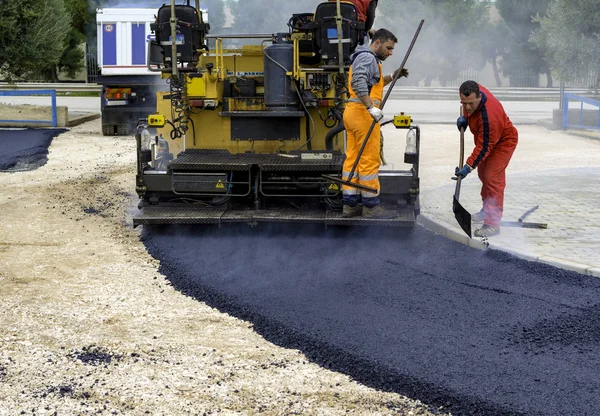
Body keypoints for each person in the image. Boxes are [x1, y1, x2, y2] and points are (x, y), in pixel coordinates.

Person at [341, 28, 408, 219]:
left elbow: (372, 84)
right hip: (363, 115)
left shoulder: (365, 58)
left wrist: (392, 76)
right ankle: (371, 207)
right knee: (369, 159)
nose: (390, 52)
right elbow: (359, 82)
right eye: (388, 48)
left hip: (353, 113)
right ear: (377, 43)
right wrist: (371, 108)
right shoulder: (368, 58)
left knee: (352, 160)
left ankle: (350, 205)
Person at [454, 80, 519, 237]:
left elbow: (484, 148)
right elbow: (468, 106)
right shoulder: (474, 91)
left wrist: (467, 167)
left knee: (492, 178)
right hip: (487, 140)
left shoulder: (490, 115)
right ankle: (486, 209)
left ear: (479, 97)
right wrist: (466, 118)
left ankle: (492, 223)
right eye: (464, 103)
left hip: (503, 143)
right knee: (483, 174)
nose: (467, 107)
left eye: (470, 104)